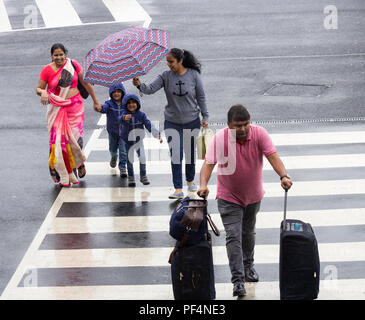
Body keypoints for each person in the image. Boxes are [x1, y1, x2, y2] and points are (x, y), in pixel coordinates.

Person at [197, 104, 293, 298]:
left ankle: (249, 267)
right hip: (228, 197)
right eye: (237, 125)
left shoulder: (259, 134)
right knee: (233, 236)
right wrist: (203, 184)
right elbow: (208, 164)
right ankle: (238, 280)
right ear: (228, 125)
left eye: (245, 124)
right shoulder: (220, 138)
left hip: (253, 197)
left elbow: (272, 156)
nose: (242, 129)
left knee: (248, 234)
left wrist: (283, 175)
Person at [132, 48, 209, 199]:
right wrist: (139, 85)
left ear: (180, 61)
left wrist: (205, 116)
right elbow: (150, 89)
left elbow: (201, 97)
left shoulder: (193, 75)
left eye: (171, 62)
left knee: (190, 154)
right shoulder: (165, 76)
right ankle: (178, 188)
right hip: (172, 122)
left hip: (192, 121)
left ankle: (190, 179)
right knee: (176, 155)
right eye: (167, 61)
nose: (168, 64)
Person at [36, 43, 101, 186]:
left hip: (75, 108)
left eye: (61, 54)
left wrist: (96, 101)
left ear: (65, 54)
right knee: (57, 141)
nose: (59, 57)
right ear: (51, 56)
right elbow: (38, 88)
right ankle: (59, 172)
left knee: (75, 139)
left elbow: (86, 84)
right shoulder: (47, 70)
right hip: (56, 108)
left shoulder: (73, 65)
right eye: (56, 55)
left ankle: (77, 164)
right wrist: (44, 92)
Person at [120, 93, 162, 187]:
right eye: (129, 103)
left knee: (142, 157)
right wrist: (124, 118)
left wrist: (157, 134)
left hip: (139, 141)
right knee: (129, 160)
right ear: (125, 105)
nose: (131, 104)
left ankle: (143, 175)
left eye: (134, 102)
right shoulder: (124, 113)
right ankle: (131, 177)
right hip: (127, 141)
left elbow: (148, 124)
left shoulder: (141, 115)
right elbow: (119, 119)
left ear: (138, 104)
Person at [99, 83, 128, 178]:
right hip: (112, 132)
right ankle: (114, 157)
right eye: (114, 92)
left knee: (123, 151)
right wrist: (100, 108)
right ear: (111, 94)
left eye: (119, 92)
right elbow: (104, 108)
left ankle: (122, 167)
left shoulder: (126, 103)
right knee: (112, 148)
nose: (116, 94)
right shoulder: (109, 104)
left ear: (122, 93)